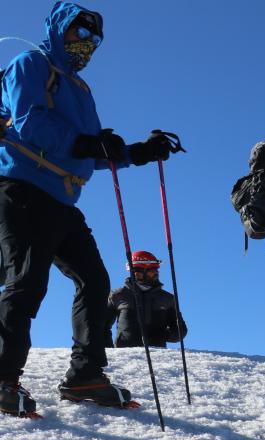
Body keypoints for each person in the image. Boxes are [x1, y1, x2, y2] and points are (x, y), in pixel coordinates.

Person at [0, 2, 178, 416]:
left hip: (62, 198)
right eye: (81, 34)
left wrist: (136, 152)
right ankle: (4, 376)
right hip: (23, 187)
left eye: (95, 39)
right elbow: (30, 122)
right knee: (27, 282)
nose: (88, 44)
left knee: (96, 283)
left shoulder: (80, 89)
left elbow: (91, 151)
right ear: (61, 30)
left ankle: (85, 375)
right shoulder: (31, 64)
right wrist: (88, 143)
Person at [106, 250, 187, 348]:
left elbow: (180, 330)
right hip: (125, 356)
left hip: (157, 356)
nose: (156, 274)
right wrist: (109, 351)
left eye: (156, 270)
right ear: (137, 273)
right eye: (152, 271)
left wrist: (162, 336)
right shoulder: (117, 295)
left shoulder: (167, 298)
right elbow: (101, 326)